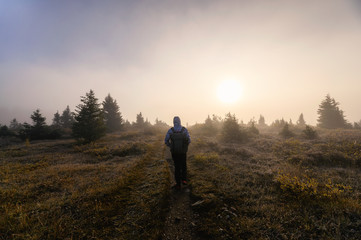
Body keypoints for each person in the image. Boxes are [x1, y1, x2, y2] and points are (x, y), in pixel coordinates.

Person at [165, 116, 191, 190]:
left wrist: (170, 146)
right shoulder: (184, 130)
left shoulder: (171, 130)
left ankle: (178, 184)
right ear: (180, 121)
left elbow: (166, 141)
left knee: (177, 167)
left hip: (175, 152)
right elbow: (189, 140)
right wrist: (185, 147)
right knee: (183, 165)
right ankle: (184, 180)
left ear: (173, 122)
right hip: (183, 152)